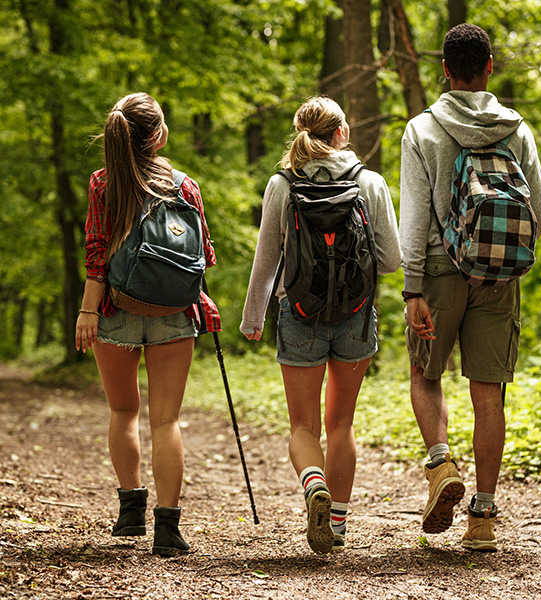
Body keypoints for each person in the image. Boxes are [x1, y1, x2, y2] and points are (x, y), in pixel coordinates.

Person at [399, 24, 541, 551]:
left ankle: (441, 465)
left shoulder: (422, 129)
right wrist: (500, 255)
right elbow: (540, 211)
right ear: (489, 67)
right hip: (498, 276)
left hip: (439, 272)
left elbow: (415, 217)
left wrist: (412, 286)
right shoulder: (517, 129)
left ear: (444, 69)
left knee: (425, 372)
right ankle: (482, 519)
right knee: (489, 393)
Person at [240, 96, 401, 554]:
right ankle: (340, 526)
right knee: (342, 423)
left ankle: (314, 484)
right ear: (342, 133)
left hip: (300, 314)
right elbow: (390, 262)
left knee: (302, 427)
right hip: (354, 315)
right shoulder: (369, 182)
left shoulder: (282, 183)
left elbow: (267, 258)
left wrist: (253, 317)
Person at [75, 92, 220, 557]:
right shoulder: (185, 186)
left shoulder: (104, 183)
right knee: (167, 420)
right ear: (158, 135)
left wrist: (87, 311)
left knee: (123, 412)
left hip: (114, 311)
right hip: (174, 314)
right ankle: (168, 529)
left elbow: (96, 253)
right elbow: (205, 255)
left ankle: (129, 512)